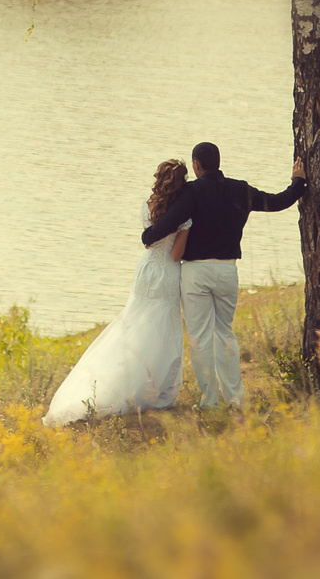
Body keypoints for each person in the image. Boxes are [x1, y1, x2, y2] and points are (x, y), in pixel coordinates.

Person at [139, 141, 306, 410]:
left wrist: (148, 235)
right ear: (217, 162)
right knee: (225, 333)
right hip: (227, 270)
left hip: (196, 273)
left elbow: (169, 223)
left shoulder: (191, 192)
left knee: (200, 337)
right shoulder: (239, 189)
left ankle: (210, 401)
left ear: (196, 165)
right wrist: (298, 183)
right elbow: (276, 202)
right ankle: (236, 399)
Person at [42, 159, 194, 426]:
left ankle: (121, 379)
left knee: (134, 322)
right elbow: (176, 254)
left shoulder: (146, 207)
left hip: (146, 270)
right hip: (168, 273)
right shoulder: (184, 217)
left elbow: (151, 245)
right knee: (164, 329)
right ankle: (159, 392)